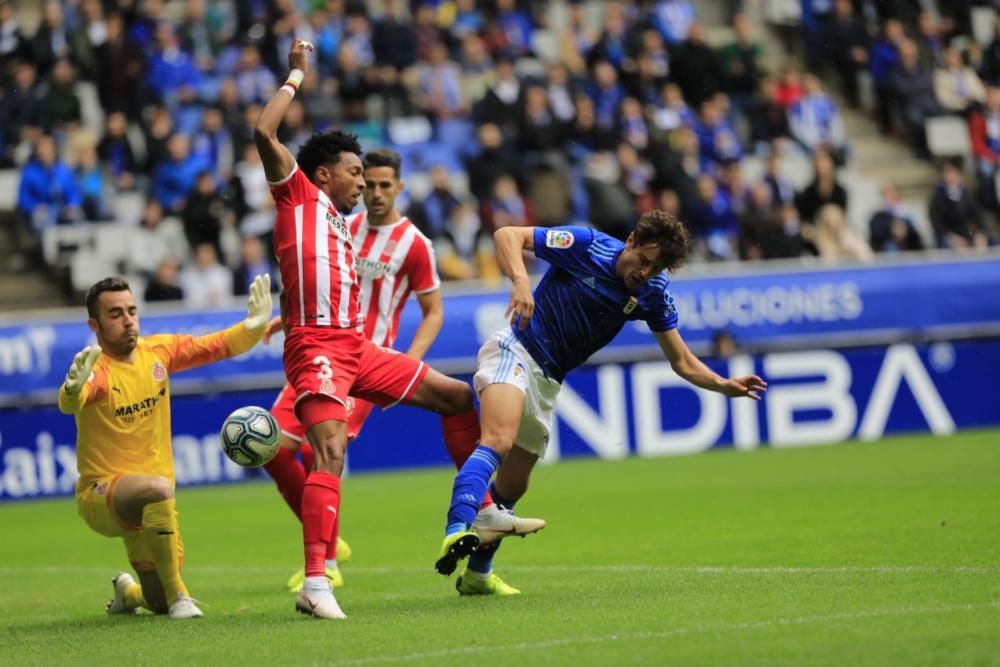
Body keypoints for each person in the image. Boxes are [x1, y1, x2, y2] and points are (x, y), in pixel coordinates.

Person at [253, 40, 539, 620]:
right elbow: (264, 134)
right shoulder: (298, 196)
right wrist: (295, 77)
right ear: (325, 173)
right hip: (318, 347)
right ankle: (316, 579)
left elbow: (321, 278)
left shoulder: (341, 221)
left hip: (358, 347)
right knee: (328, 451)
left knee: (460, 399)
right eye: (356, 174)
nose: (363, 184)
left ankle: (479, 508)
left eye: (370, 177)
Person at [433, 212, 768, 591]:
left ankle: (478, 576)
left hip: (549, 380)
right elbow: (508, 235)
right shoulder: (586, 245)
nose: (645, 272)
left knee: (513, 486)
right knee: (498, 439)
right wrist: (521, 283)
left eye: (656, 268)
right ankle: (457, 526)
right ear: (631, 241)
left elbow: (682, 361)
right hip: (516, 348)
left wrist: (724, 384)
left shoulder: (653, 292)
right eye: (643, 260)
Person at [58, 274, 273, 619]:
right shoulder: (96, 372)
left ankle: (129, 593)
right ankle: (179, 599)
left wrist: (253, 325)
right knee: (156, 489)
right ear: (94, 325)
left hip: (152, 502)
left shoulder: (157, 352)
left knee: (152, 600)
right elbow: (73, 399)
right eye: (116, 314)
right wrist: (70, 391)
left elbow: (215, 346)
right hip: (101, 496)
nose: (128, 320)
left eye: (132, 311)